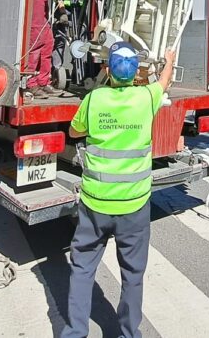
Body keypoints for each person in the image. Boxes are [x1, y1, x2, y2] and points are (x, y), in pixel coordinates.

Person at [61, 43, 176, 338]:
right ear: (136, 73)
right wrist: (169, 60)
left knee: (82, 268)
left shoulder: (94, 98)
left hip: (95, 204)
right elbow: (163, 82)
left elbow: (74, 132)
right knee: (133, 274)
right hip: (134, 206)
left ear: (108, 70)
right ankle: (128, 333)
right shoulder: (145, 97)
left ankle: (75, 332)